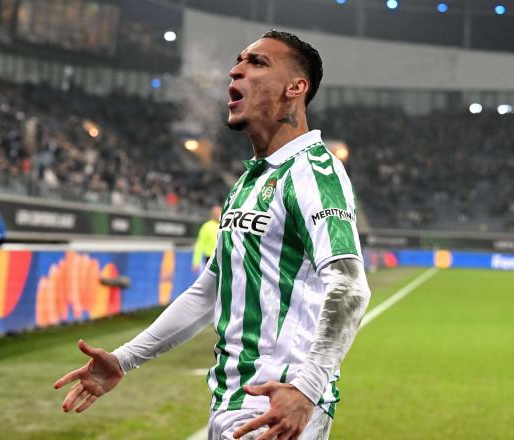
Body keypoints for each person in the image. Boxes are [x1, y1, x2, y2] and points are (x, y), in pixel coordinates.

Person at [54, 30, 371, 440]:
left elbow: (349, 288)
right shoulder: (249, 182)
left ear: (296, 88)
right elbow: (209, 290)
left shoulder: (312, 170)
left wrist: (306, 389)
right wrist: (124, 359)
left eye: (257, 63)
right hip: (230, 402)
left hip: (278, 404)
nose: (235, 70)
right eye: (239, 60)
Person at [192, 205, 222, 272]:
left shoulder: (224, 225)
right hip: (210, 258)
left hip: (222, 258)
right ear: (212, 214)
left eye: (219, 213)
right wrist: (196, 262)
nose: (218, 215)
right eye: (216, 213)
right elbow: (199, 244)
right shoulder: (206, 226)